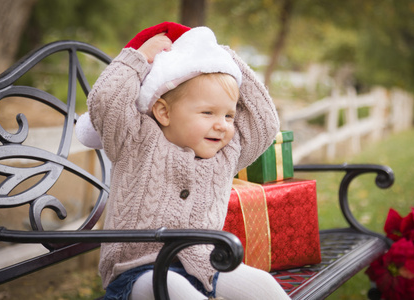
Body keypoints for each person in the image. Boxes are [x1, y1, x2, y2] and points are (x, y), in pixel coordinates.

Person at [76, 22, 289, 300]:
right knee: (173, 288)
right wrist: (137, 57)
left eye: (228, 115)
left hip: (204, 265)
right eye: (208, 112)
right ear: (163, 112)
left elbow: (265, 121)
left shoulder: (225, 154)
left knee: (262, 285)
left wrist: (221, 55)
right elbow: (106, 101)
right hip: (137, 274)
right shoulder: (136, 142)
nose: (222, 125)